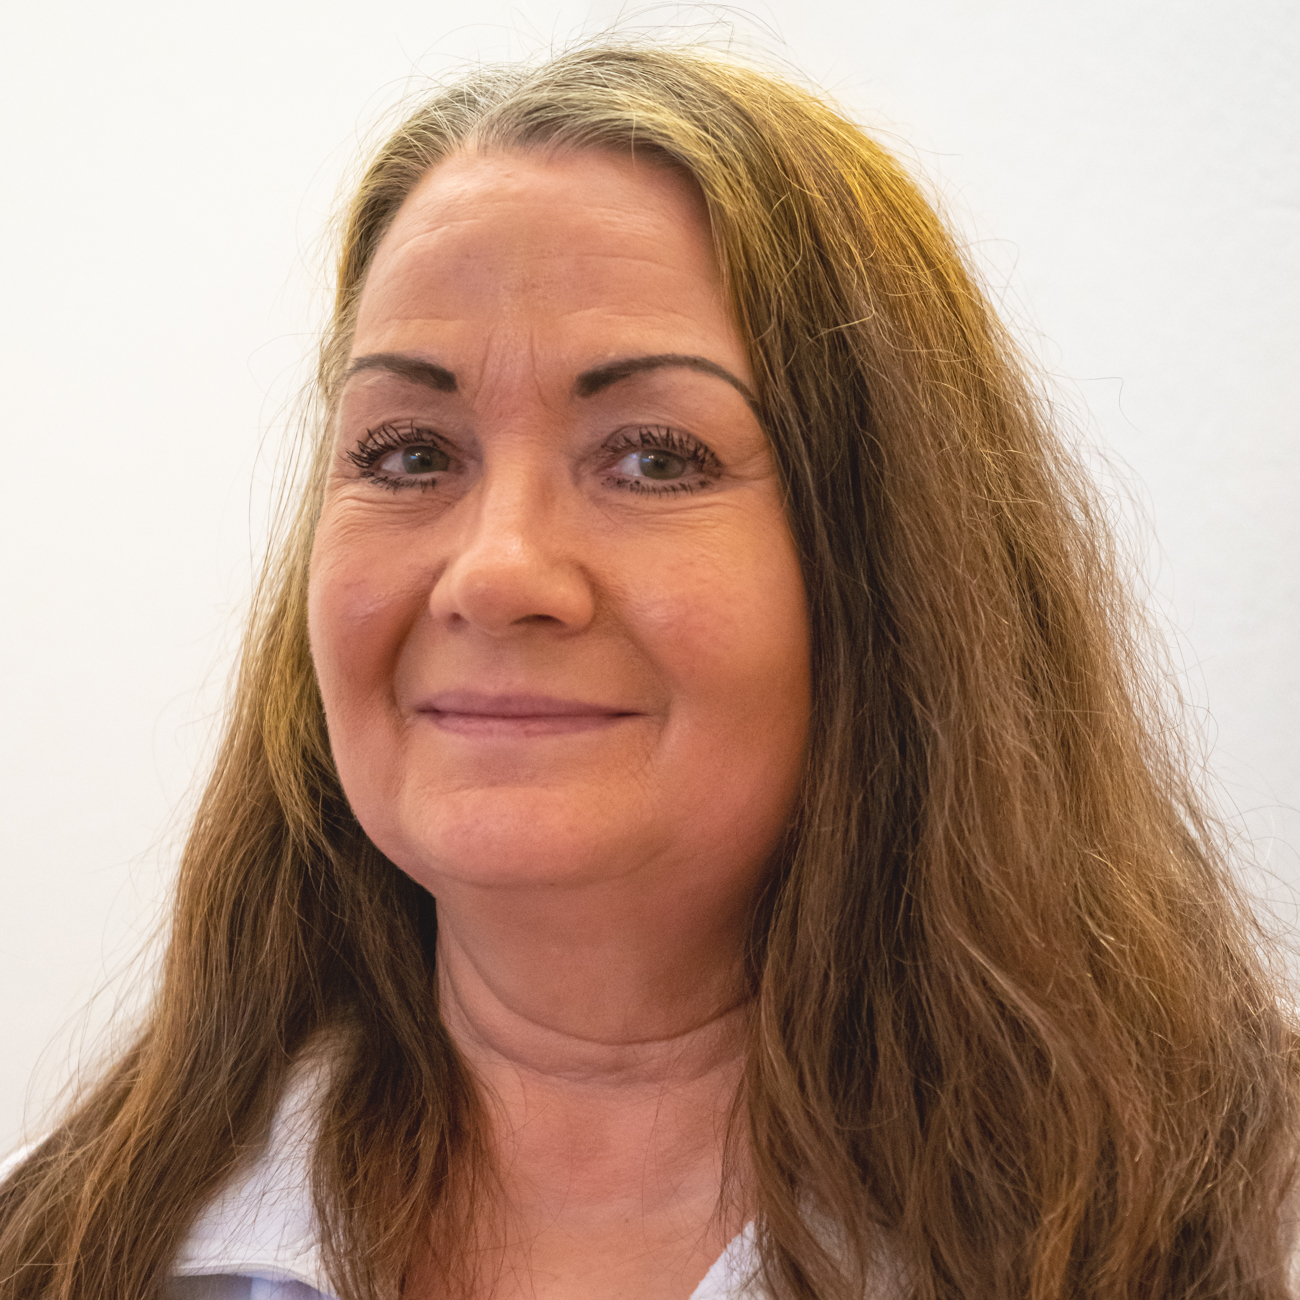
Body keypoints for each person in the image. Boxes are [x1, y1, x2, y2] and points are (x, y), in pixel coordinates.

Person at [1, 40, 1295, 1300]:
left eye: (653, 458)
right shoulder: (62, 1251)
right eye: (409, 455)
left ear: (893, 565)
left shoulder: (1248, 1234)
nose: (495, 571)